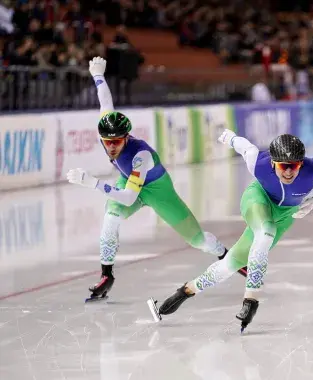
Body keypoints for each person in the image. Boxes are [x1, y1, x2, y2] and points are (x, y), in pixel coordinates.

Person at [66, 57, 237, 303]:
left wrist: (92, 182)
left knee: (198, 240)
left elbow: (129, 197)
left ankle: (226, 255)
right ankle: (106, 275)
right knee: (111, 219)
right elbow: (105, 101)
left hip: (157, 190)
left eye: (117, 142)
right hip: (129, 182)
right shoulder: (106, 128)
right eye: (107, 141)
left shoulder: (140, 155)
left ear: (126, 137)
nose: (112, 147)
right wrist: (98, 75)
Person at [147, 130, 313, 331]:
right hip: (257, 200)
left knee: (230, 264)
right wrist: (228, 137)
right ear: (273, 163)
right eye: (283, 166)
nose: (288, 172)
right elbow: (246, 147)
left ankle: (183, 293)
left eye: (294, 166)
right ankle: (251, 301)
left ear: (301, 163)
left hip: (285, 215)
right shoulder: (259, 163)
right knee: (265, 231)